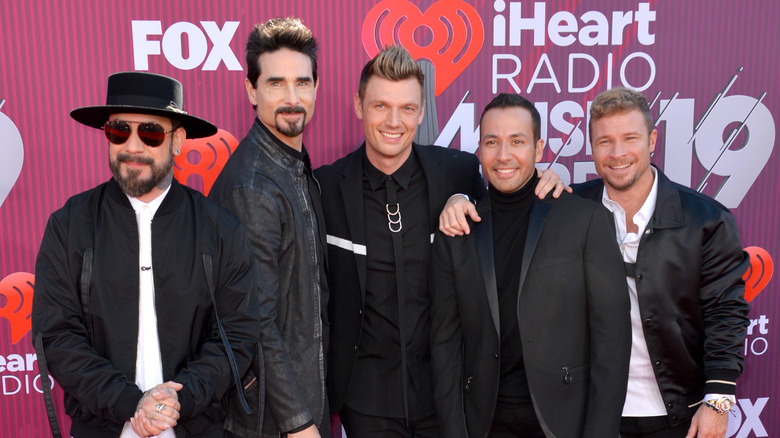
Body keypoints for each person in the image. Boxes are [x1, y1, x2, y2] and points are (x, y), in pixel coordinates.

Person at [440, 87, 751, 438]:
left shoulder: (705, 219)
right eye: (605, 142)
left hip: (676, 410)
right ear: (591, 148)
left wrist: (718, 398)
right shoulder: (571, 203)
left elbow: (727, 312)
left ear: (651, 140)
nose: (617, 153)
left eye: (630, 138)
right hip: (587, 410)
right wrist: (459, 196)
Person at [314, 46, 563, 437]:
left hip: (449, 394)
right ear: (359, 106)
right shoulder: (324, 187)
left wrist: (546, 186)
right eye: (381, 106)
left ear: (422, 112)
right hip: (364, 401)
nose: (394, 121)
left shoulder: (459, 173)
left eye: (407, 108)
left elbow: (509, 208)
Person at [31, 71, 260, 438]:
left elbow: (237, 334)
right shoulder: (70, 224)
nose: (133, 147)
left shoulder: (220, 229)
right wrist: (129, 402)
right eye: (119, 131)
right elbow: (57, 335)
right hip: (101, 429)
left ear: (179, 140)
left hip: (196, 428)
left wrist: (177, 400)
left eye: (150, 133)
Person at [430, 93, 631, 438]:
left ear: (539, 149)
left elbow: (611, 344)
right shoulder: (458, 230)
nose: (504, 155)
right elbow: (445, 346)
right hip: (484, 423)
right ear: (479, 149)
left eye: (517, 142)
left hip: (564, 422)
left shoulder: (584, 220)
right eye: (492, 142)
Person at [209, 17, 329, 438]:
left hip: (301, 399)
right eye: (276, 83)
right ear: (251, 90)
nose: (293, 98)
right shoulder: (254, 184)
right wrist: (299, 424)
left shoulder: (290, 163)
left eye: (303, 82)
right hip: (271, 422)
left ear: (316, 87)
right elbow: (255, 321)